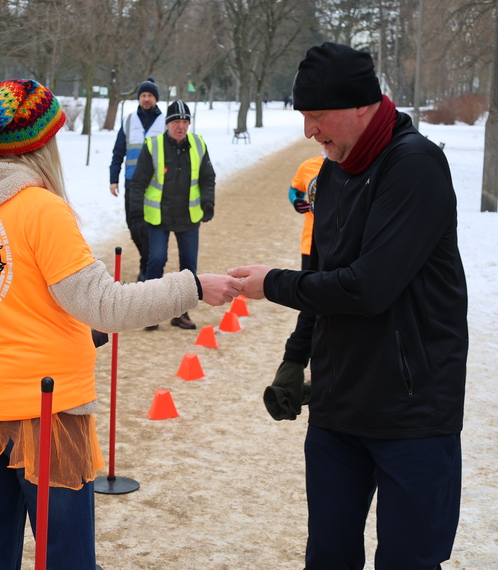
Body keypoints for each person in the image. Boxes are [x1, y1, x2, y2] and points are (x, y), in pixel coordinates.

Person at [0, 79, 242, 570]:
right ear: (40, 143)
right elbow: (107, 305)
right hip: (44, 412)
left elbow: (11, 300)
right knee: (66, 556)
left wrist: (76, 329)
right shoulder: (40, 209)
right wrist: (193, 287)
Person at [229, 42, 468, 569]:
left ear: (363, 104)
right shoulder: (331, 170)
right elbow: (322, 273)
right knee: (329, 557)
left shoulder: (416, 166)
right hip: (338, 409)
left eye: (318, 116)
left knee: (409, 561)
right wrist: (296, 358)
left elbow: (367, 287)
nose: (309, 131)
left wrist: (271, 284)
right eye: (304, 117)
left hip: (413, 414)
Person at [129, 99, 216, 330]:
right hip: (158, 216)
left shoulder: (198, 145)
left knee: (189, 268)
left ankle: (181, 313)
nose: (181, 126)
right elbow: (138, 182)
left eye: (185, 121)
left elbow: (207, 177)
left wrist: (208, 202)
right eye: (176, 121)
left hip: (188, 217)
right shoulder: (153, 145)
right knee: (156, 260)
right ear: (167, 124)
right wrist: (136, 212)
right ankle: (150, 313)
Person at [264, 154, 324, 421]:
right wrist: (296, 201)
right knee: (312, 302)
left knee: (323, 301)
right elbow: (295, 189)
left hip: (340, 246)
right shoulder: (309, 166)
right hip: (311, 244)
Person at [109, 77, 166, 281]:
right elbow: (118, 152)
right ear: (139, 98)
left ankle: (147, 268)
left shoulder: (165, 122)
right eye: (143, 95)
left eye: (150, 95)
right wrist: (113, 178)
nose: (147, 99)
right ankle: (147, 258)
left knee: (151, 224)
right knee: (133, 224)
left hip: (156, 183)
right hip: (132, 182)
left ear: (156, 98)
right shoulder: (129, 120)